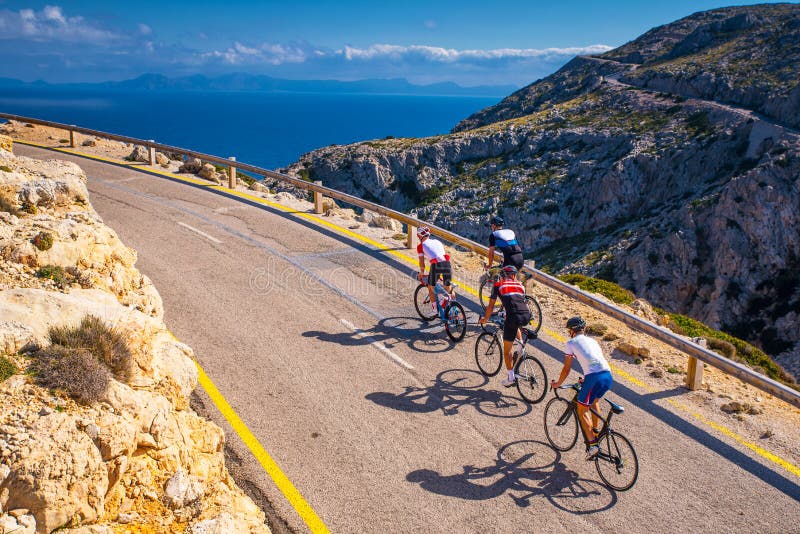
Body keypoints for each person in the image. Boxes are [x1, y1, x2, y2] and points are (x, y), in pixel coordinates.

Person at [550, 316, 613, 460]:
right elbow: (594, 360)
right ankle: (596, 433)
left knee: (581, 408)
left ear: (571, 330)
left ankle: (593, 444)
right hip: (607, 375)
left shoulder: (571, 343)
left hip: (594, 377)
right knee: (593, 401)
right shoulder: (593, 341)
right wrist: (586, 378)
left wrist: (558, 383)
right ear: (583, 329)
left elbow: (567, 369)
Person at [478, 265, 531, 387]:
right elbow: (517, 301)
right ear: (513, 275)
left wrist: (485, 319)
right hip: (526, 315)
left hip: (513, 316)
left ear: (503, 276)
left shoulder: (498, 285)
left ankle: (511, 378)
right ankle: (520, 346)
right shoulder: (520, 286)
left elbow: (491, 307)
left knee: (507, 351)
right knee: (514, 323)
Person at [416, 226, 454, 319]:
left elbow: (422, 262)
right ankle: (454, 310)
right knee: (448, 288)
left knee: (430, 286)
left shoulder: (421, 246)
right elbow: (440, 257)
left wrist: (421, 273)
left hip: (436, 265)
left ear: (419, 236)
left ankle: (435, 310)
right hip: (447, 264)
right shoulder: (437, 241)